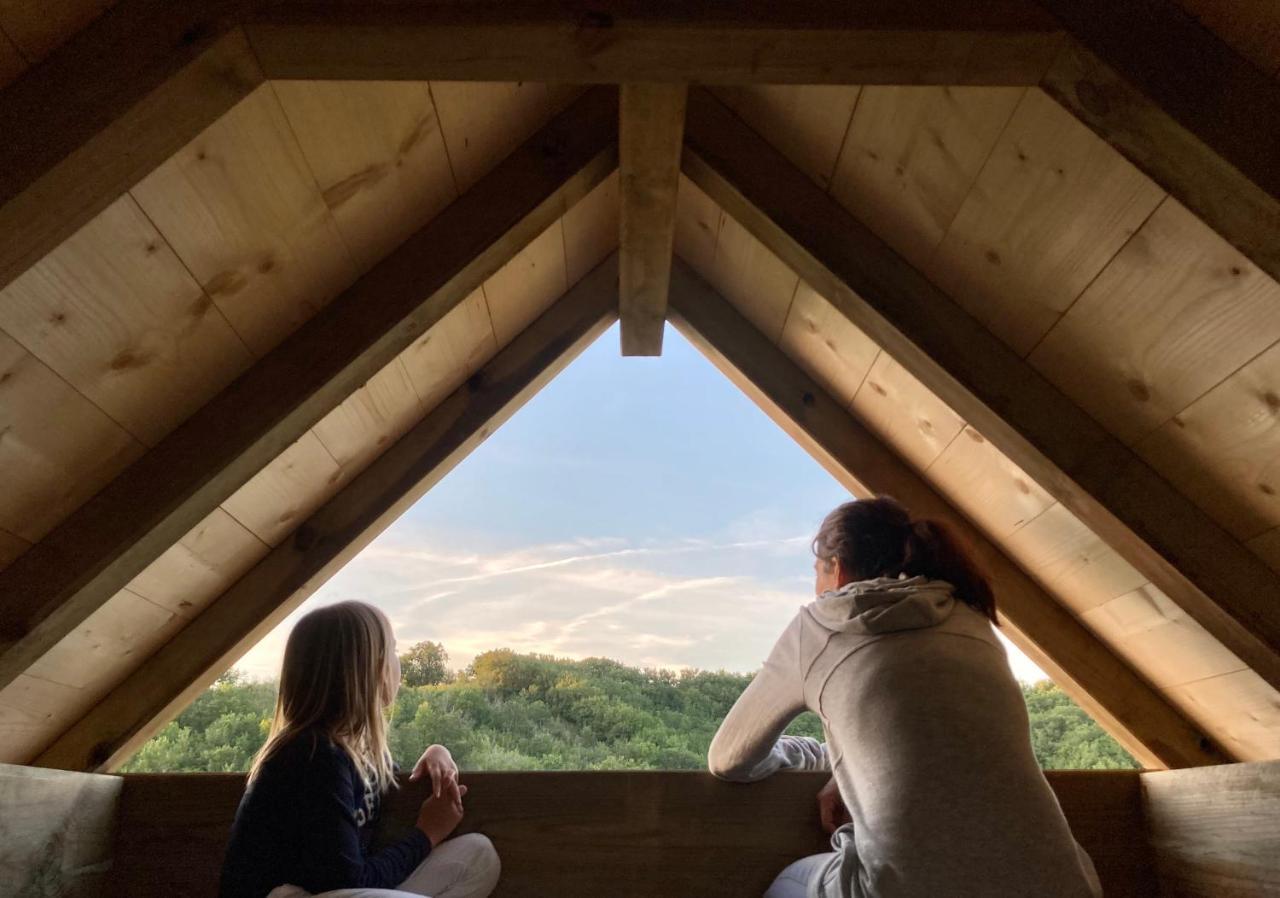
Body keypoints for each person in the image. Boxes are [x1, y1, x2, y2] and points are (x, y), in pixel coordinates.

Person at [708, 497, 1103, 898]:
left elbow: (729, 759)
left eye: (817, 572)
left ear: (836, 569)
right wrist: (842, 772)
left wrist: (806, 754)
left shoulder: (820, 625)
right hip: (1064, 883)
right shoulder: (967, 614)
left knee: (785, 885)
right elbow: (939, 736)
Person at [219, 601, 500, 898]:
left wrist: (436, 751)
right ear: (368, 668)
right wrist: (427, 834)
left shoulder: (361, 754)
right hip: (292, 895)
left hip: (343, 891)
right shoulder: (311, 754)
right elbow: (347, 881)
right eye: (392, 649)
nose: (398, 662)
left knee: (478, 856)